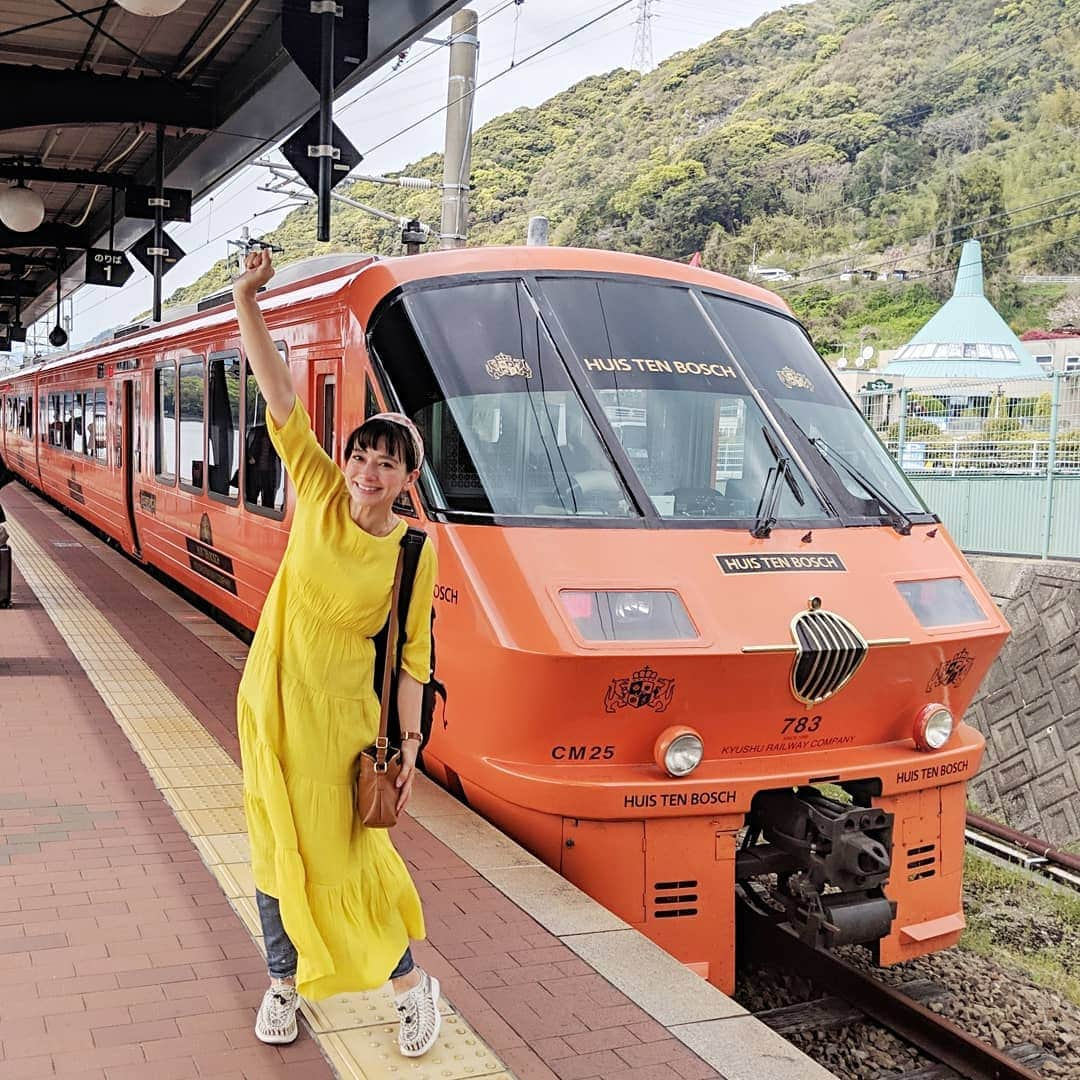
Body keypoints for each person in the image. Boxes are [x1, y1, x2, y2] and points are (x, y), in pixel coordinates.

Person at [231, 249, 441, 1057]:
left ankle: (411, 989)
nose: (367, 468)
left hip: (345, 722)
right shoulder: (317, 491)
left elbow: (415, 656)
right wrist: (249, 299)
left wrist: (411, 746)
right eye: (361, 453)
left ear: (404, 479)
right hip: (272, 702)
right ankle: (283, 986)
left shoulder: (414, 553)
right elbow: (277, 390)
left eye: (387, 461)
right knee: (272, 843)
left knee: (353, 860)